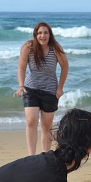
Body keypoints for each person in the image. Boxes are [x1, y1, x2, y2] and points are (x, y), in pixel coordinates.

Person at [15, 22, 69, 155]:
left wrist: (60, 88)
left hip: (50, 91)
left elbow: (65, 66)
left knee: (46, 126)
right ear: (35, 35)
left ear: (50, 35)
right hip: (30, 89)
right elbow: (21, 68)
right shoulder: (28, 47)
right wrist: (21, 85)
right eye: (39, 33)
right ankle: (31, 156)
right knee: (31, 121)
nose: (42, 35)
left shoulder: (55, 48)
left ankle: (45, 156)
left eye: (45, 32)